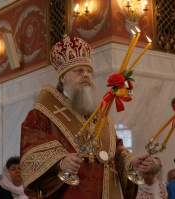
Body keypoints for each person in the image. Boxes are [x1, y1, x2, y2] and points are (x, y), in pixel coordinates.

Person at [20, 35, 152, 199]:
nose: (86, 75)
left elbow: (115, 151)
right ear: (63, 78)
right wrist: (60, 161)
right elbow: (30, 153)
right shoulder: (42, 114)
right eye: (79, 71)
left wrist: (131, 163)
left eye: (89, 71)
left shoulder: (100, 117)